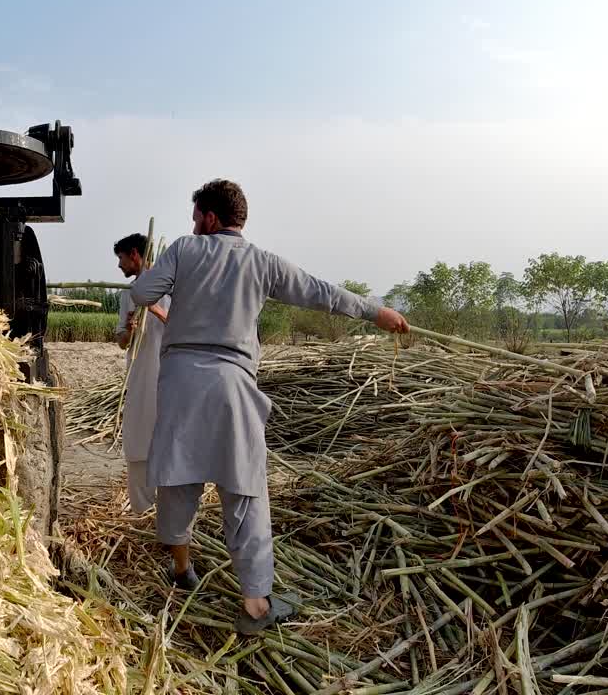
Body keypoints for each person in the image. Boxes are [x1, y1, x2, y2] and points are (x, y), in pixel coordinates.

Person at [130, 179, 410, 635]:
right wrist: (377, 313)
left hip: (181, 383)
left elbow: (143, 295)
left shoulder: (183, 250)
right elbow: (323, 293)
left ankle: (182, 571)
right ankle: (256, 606)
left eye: (195, 214)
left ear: (210, 217)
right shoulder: (263, 262)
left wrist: (161, 279)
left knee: (178, 478)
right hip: (233, 388)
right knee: (245, 492)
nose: (192, 222)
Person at [112, 233, 170, 514]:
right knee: (137, 439)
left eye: (121, 259)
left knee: (168, 440)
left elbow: (185, 327)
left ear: (134, 254)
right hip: (138, 376)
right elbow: (122, 340)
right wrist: (129, 331)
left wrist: (154, 308)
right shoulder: (127, 293)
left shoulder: (172, 288)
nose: (119, 266)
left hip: (169, 377)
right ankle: (141, 511)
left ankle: (170, 511)